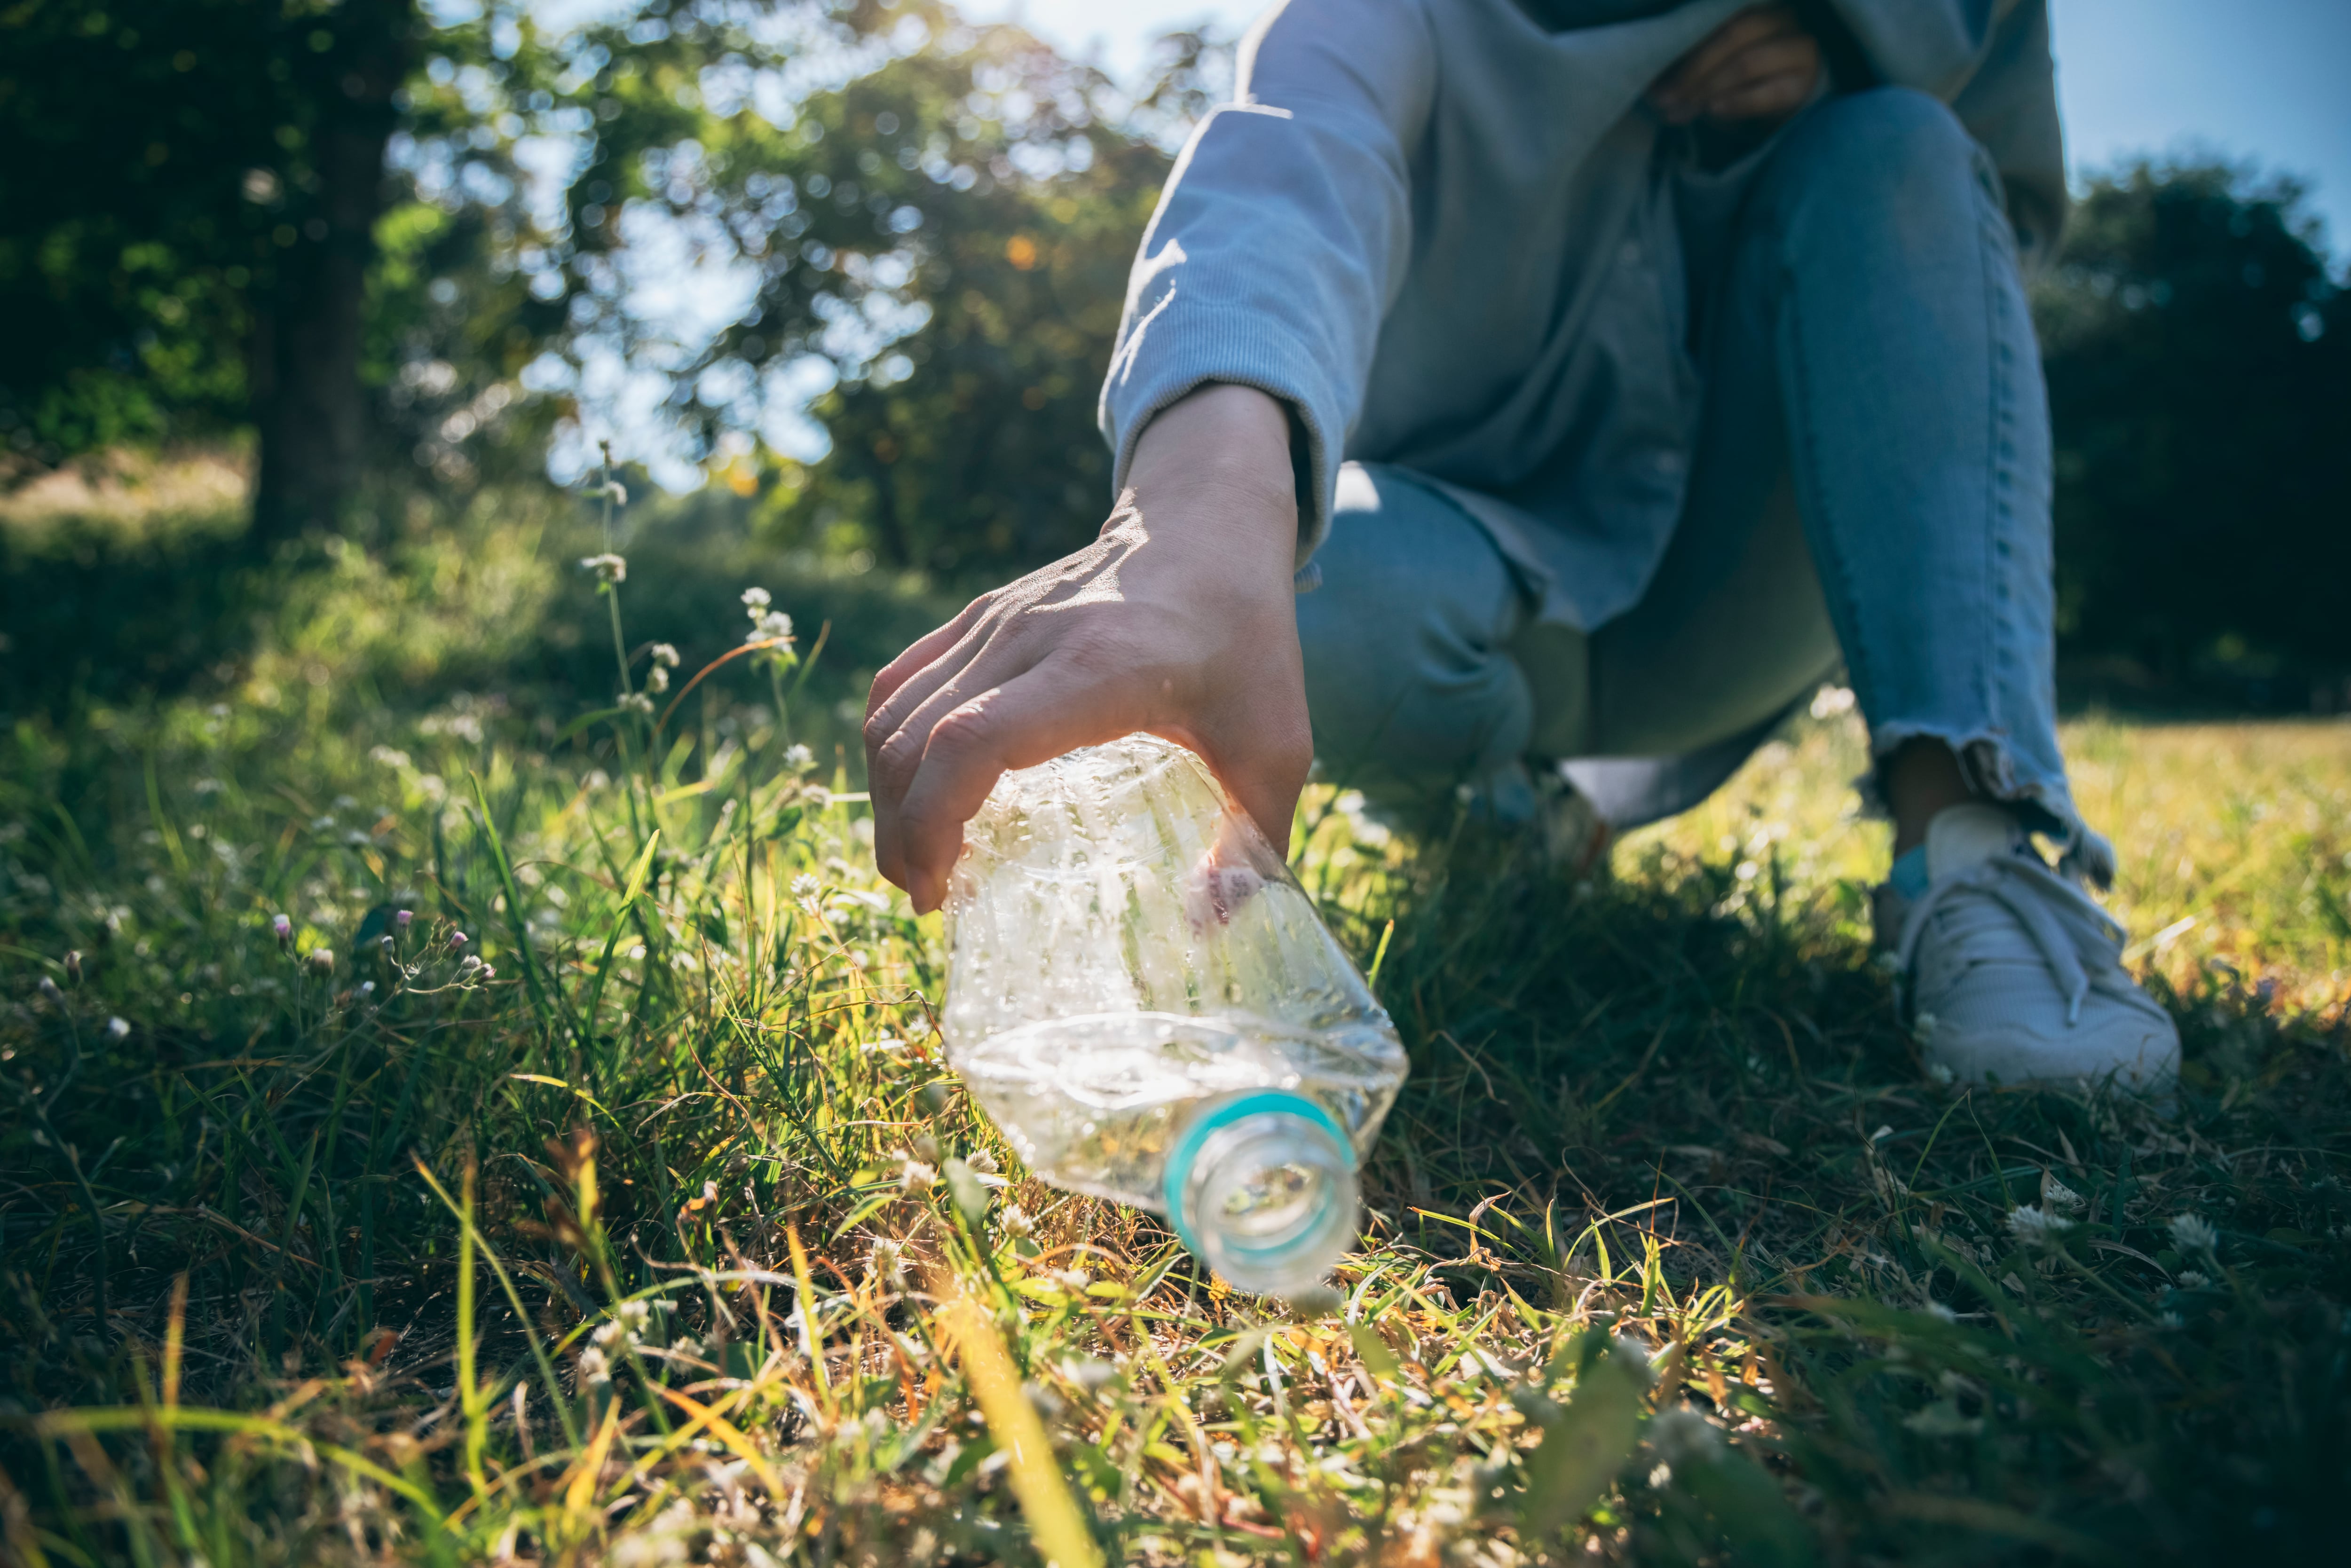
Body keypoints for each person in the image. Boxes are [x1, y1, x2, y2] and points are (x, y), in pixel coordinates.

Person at [860, 0, 2179, 1093]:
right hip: (1473, 566)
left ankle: (1974, 850)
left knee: (1898, 146)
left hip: (1761, 568)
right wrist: (1190, 534)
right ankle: (1511, 815)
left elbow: (1985, 233)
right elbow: (1279, 174)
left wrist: (1843, 83)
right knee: (1298, 602)